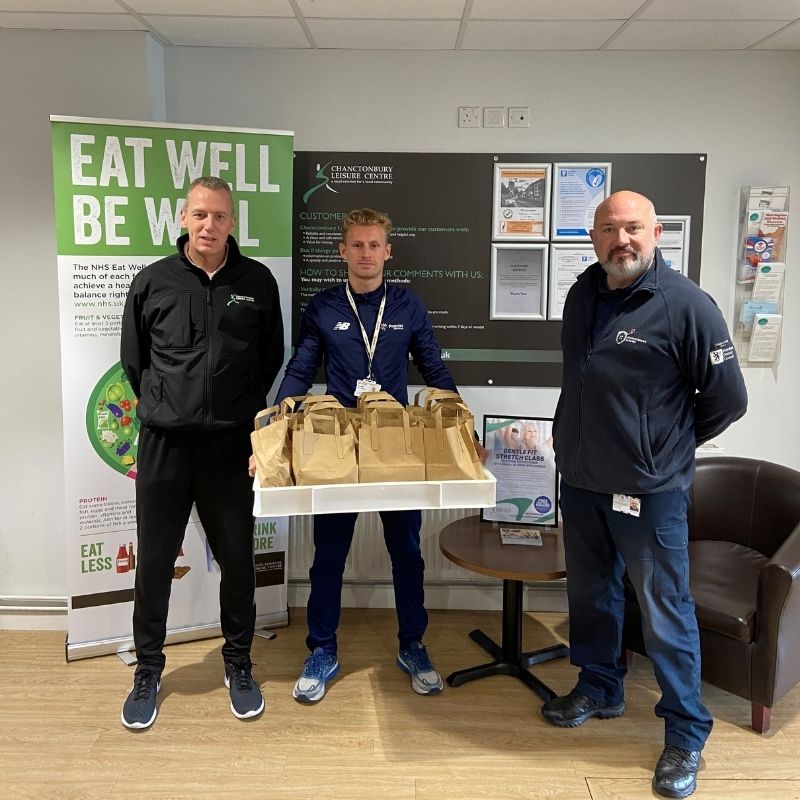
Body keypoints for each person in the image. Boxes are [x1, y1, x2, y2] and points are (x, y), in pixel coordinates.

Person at [545, 191, 747, 799]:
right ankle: (600, 686)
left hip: (648, 492)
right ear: (594, 237)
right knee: (591, 594)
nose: (621, 239)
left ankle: (686, 733)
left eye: (633, 227)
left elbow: (727, 399)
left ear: (656, 232)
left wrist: (666, 447)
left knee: (663, 610)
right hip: (581, 482)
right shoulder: (584, 292)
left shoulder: (685, 304)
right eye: (609, 229)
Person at [119, 176, 284, 729]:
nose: (208, 225)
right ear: (183, 219)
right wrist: (169, 404)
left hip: (229, 447)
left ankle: (238, 665)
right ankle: (147, 671)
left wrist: (235, 411)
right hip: (165, 445)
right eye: (199, 215)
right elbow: (135, 363)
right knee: (155, 563)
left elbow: (269, 359)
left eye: (219, 215)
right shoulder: (152, 282)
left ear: (232, 222)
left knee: (237, 560)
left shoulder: (257, 282)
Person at [275, 207, 456, 704]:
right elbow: (301, 368)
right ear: (342, 251)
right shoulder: (323, 307)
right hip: (337, 445)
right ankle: (322, 649)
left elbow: (435, 369)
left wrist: (459, 420)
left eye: (374, 245)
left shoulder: (408, 307)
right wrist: (277, 421)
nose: (366, 253)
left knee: (406, 554)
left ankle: (412, 645)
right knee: (329, 554)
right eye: (357, 245)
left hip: (393, 444)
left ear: (387, 251)